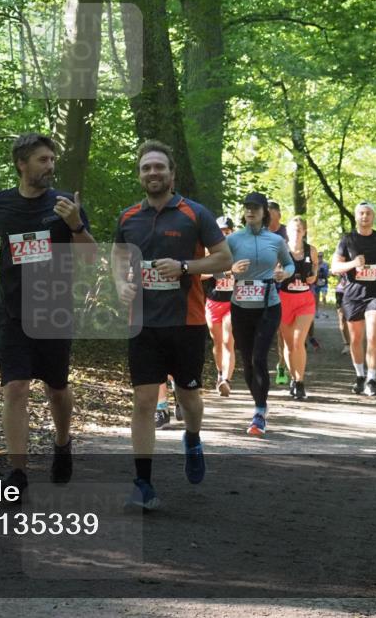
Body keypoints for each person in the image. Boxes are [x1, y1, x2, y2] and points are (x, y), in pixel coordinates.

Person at [0, 133, 94, 496]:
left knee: (57, 389)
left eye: (52, 159)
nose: (50, 166)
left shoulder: (65, 205)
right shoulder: (0, 202)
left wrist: (76, 225)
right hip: (12, 311)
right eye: (42, 160)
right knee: (15, 388)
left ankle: (63, 442)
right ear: (22, 164)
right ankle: (17, 473)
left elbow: (90, 257)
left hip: (54, 311)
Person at [112, 140, 231, 510]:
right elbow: (117, 257)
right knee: (144, 401)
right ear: (140, 175)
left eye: (159, 167)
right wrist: (120, 284)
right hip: (142, 324)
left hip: (186, 323)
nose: (153, 173)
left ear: (171, 173)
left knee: (189, 397)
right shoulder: (128, 217)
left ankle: (192, 438)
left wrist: (184, 267)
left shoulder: (195, 214)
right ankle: (143, 483)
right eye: (146, 168)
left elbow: (224, 259)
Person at [225, 192, 294, 435]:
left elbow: (290, 264)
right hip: (240, 307)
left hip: (268, 306)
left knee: (259, 357)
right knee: (247, 360)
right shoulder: (233, 240)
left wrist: (284, 274)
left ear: (265, 212)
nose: (250, 211)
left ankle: (259, 412)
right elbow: (216, 267)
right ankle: (259, 404)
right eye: (247, 207)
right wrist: (231, 269)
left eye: (255, 208)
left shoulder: (276, 240)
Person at [331, 202, 376, 397]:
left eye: (368, 213)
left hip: (375, 293)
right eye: (361, 213)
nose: (365, 217)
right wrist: (353, 263)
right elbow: (335, 267)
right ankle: (360, 376)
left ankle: (372, 379)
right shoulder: (347, 240)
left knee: (373, 335)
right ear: (356, 216)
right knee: (356, 339)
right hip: (353, 295)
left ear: (373, 216)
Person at [279, 217, 319, 400]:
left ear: (304, 232)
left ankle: (301, 382)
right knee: (289, 345)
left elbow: (315, 267)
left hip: (304, 300)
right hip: (284, 300)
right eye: (293, 230)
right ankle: (294, 379)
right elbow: (272, 271)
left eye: (299, 230)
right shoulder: (281, 249)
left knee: (298, 341)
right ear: (287, 232)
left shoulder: (311, 250)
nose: (295, 233)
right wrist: (278, 274)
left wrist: (314, 276)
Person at [205, 216, 237, 397]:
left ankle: (227, 379)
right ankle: (220, 373)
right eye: (221, 232)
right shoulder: (209, 252)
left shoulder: (239, 251)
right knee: (217, 342)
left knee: (228, 340)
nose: (224, 235)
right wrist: (216, 271)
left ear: (232, 232)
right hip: (213, 302)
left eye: (227, 231)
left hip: (233, 302)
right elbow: (197, 274)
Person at [267, 201, 289, 386]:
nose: (268, 219)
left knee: (281, 329)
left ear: (279, 216)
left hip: (283, 285)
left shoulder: (288, 233)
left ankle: (282, 364)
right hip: (259, 285)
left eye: (271, 216)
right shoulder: (256, 232)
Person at [335, 276, 351, 355]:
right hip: (341, 291)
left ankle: (356, 343)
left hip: (356, 290)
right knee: (342, 317)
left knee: (357, 319)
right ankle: (347, 344)